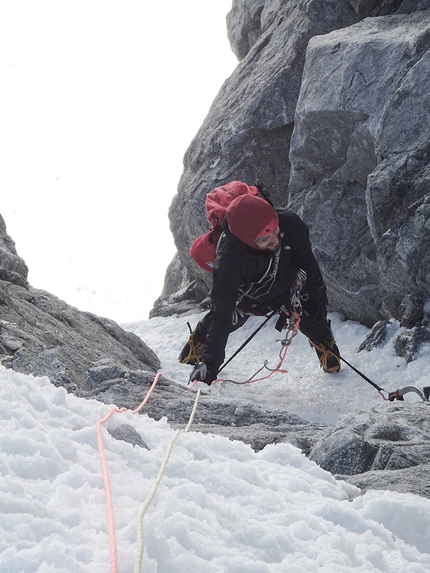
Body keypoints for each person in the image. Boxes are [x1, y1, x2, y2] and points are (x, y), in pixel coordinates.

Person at [179, 182, 340, 385]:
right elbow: (221, 311)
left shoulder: (291, 225)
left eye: (275, 230)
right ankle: (199, 343)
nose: (275, 240)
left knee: (311, 315)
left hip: (284, 281)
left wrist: (318, 302)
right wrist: (211, 364)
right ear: (247, 241)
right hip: (250, 293)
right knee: (229, 318)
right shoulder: (228, 259)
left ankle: (324, 343)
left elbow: (310, 268)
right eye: (265, 238)